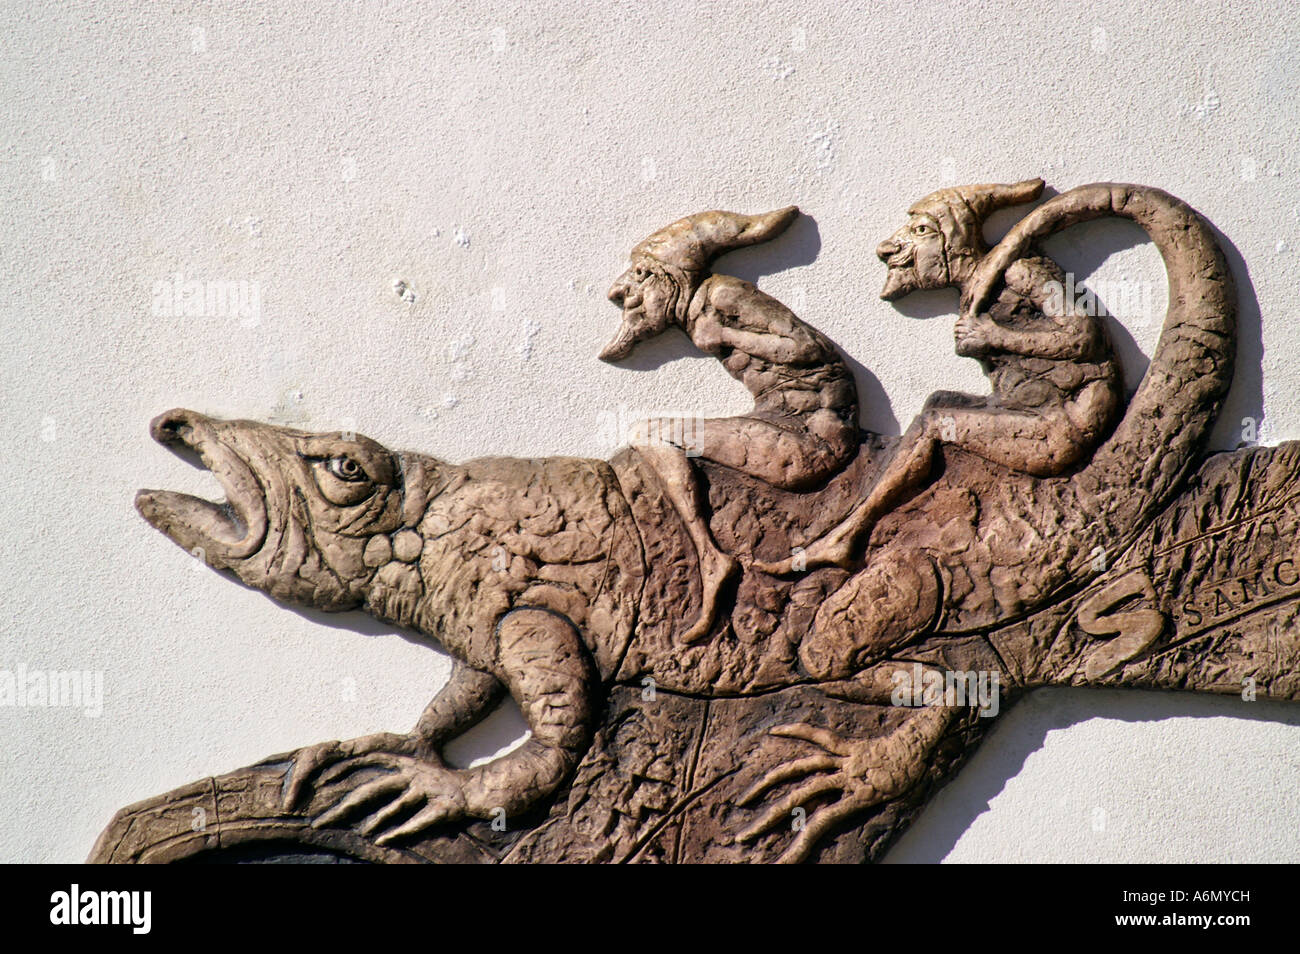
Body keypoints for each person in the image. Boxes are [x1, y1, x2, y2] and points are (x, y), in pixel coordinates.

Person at [601, 206, 858, 643]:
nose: (621, 288)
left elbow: (807, 349)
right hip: (779, 420)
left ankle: (710, 559)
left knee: (652, 433)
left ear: (668, 276)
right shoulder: (696, 312)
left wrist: (729, 336)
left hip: (810, 435)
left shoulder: (722, 297)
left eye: (640, 273)